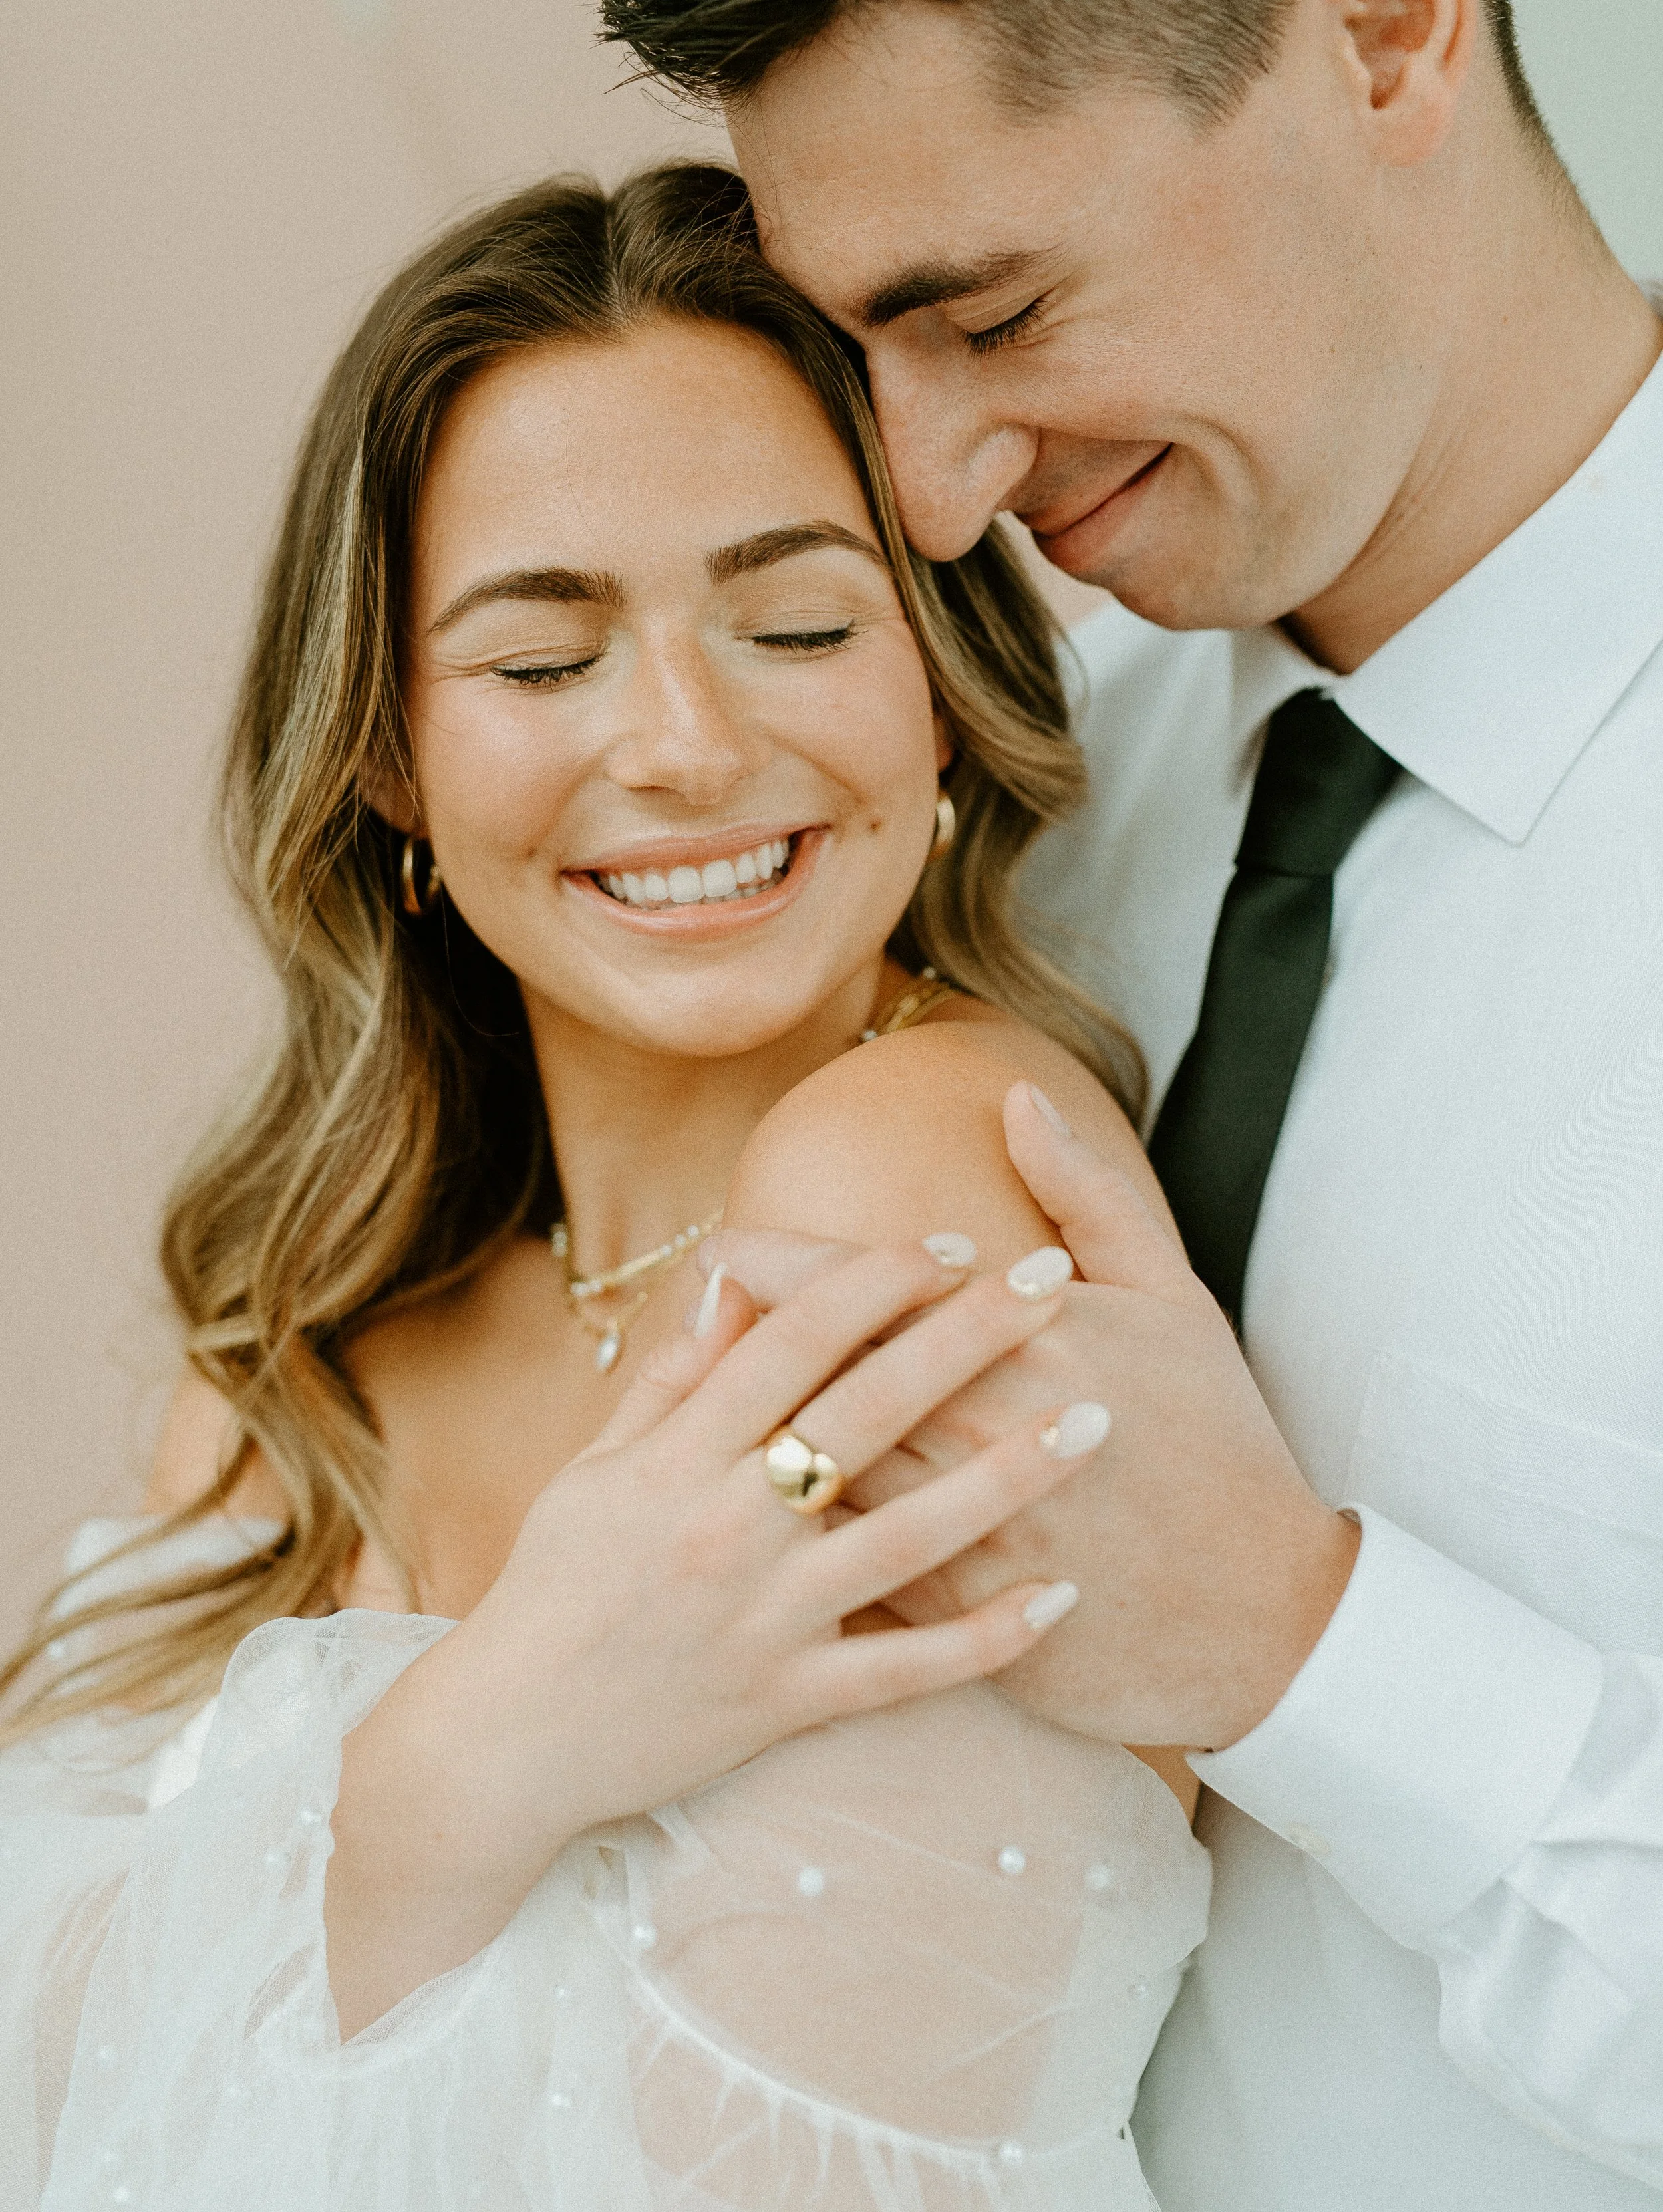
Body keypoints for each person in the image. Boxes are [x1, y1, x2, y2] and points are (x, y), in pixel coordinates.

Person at [0, 166, 1213, 2208]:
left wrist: (387, 1834)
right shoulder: (297, 1361)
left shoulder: (915, 1179)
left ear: (936, 686)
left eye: (797, 622)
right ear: (389, 762)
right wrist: (472, 1763)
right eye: (541, 658)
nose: (676, 743)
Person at [601, 1, 1663, 2206]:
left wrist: (1304, 1646)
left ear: (1379, 37)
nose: (925, 489)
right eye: (862, 358)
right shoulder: (965, 786)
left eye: (994, 314)